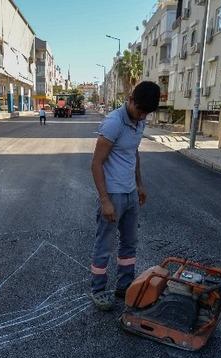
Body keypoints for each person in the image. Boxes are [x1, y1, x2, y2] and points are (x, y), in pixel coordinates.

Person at [89, 81, 160, 311]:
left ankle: (125, 285)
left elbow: (133, 152)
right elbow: (96, 163)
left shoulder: (140, 120)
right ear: (130, 99)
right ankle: (98, 290)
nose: (142, 117)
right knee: (105, 245)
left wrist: (140, 184)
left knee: (130, 244)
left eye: (146, 113)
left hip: (130, 193)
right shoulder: (113, 123)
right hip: (113, 195)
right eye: (139, 111)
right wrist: (105, 200)